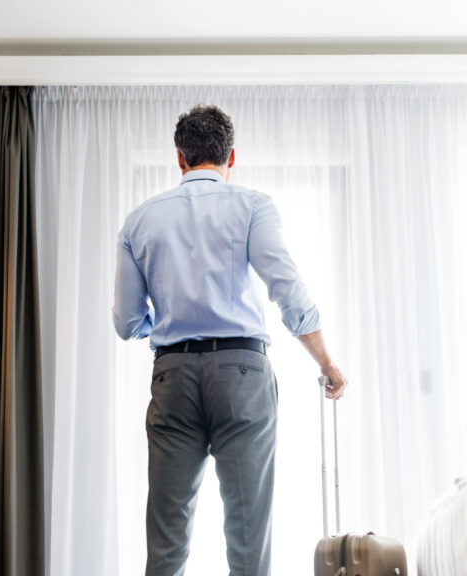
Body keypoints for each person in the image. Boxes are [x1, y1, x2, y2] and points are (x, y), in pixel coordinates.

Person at [112, 104, 347, 576]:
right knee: (248, 536)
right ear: (231, 157)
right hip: (242, 373)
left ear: (180, 157)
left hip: (174, 375)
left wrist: (166, 323)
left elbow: (126, 321)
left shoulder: (139, 221)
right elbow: (287, 290)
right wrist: (326, 363)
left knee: (166, 540)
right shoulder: (252, 206)